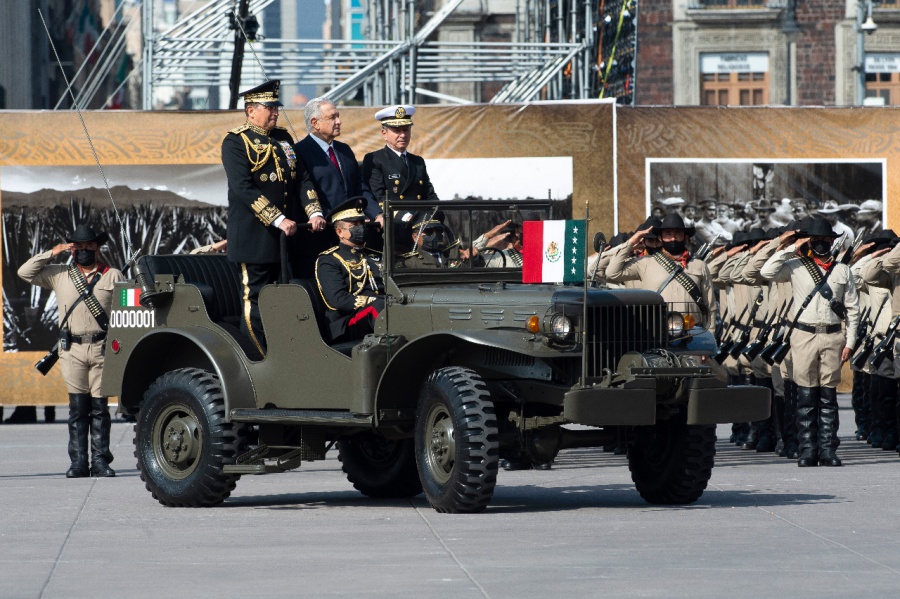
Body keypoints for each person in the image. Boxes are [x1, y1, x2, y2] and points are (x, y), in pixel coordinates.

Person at [17, 225, 124, 478]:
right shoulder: (60, 274)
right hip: (71, 349)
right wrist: (53, 252)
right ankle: (78, 463)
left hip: (101, 348)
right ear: (71, 248)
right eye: (78, 246)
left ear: (97, 247)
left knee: (100, 409)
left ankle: (100, 461)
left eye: (89, 245)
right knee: (77, 409)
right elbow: (25, 272)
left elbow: (127, 312)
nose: (84, 250)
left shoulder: (113, 276)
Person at [758, 217, 860, 467]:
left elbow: (853, 309)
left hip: (833, 336)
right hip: (803, 336)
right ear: (810, 242)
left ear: (831, 242)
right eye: (816, 240)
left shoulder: (842, 270)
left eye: (825, 240)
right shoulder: (795, 266)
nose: (821, 244)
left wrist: (850, 341)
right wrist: (792, 246)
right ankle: (807, 450)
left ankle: (827, 449)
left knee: (828, 395)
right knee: (805, 395)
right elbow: (766, 271)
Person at [222, 79, 310, 358]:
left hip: (286, 239)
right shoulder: (236, 141)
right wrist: (278, 218)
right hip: (255, 237)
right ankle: (256, 357)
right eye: (268, 107)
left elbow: (300, 178)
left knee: (283, 298)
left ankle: (283, 354)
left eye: (276, 107)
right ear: (250, 110)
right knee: (256, 300)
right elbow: (243, 188)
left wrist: (314, 211)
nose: (275, 112)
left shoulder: (283, 138)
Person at [295, 97, 384, 274]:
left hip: (350, 237)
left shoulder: (344, 150)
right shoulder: (300, 152)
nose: (339, 121)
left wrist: (377, 214)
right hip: (320, 236)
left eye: (338, 116)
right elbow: (303, 190)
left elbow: (360, 188)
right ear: (315, 123)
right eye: (332, 117)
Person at [606, 213, 717, 332]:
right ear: (660, 238)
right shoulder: (645, 263)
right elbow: (612, 273)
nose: (673, 238)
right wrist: (631, 243)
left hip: (692, 333)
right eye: (668, 234)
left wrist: (709, 336)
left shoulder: (699, 265)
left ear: (685, 237)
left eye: (678, 234)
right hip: (655, 332)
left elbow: (710, 306)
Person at [315, 197, 385, 343]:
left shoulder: (373, 255)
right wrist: (374, 300)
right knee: (379, 306)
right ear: (340, 232)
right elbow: (338, 300)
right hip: (346, 322)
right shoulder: (329, 259)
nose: (360, 228)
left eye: (361, 223)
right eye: (354, 225)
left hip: (378, 311)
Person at [362, 105, 439, 209]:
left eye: (406, 130)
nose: (403, 135)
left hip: (421, 219)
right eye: (397, 131)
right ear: (384, 133)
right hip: (394, 221)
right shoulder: (375, 159)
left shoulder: (418, 161)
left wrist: (437, 213)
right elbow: (379, 198)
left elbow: (430, 195)